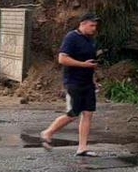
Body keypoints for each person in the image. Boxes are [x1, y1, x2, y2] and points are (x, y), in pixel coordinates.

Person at [39, 13, 101, 156]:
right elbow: (62, 59)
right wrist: (82, 65)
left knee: (88, 114)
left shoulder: (90, 41)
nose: (94, 29)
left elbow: (90, 63)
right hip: (74, 82)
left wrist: (93, 81)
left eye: (95, 26)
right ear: (83, 24)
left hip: (87, 83)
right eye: (92, 25)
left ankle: (82, 147)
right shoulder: (71, 38)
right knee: (73, 114)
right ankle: (47, 133)